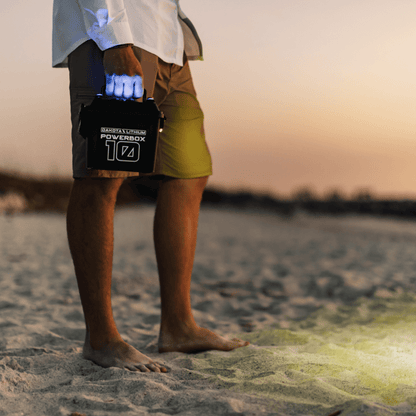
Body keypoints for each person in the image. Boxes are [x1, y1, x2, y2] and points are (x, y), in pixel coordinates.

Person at [52, 0, 249, 373]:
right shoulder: (113, 41)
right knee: (102, 177)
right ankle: (101, 338)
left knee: (189, 171)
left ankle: (178, 325)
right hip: (115, 39)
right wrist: (114, 43)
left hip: (168, 42)